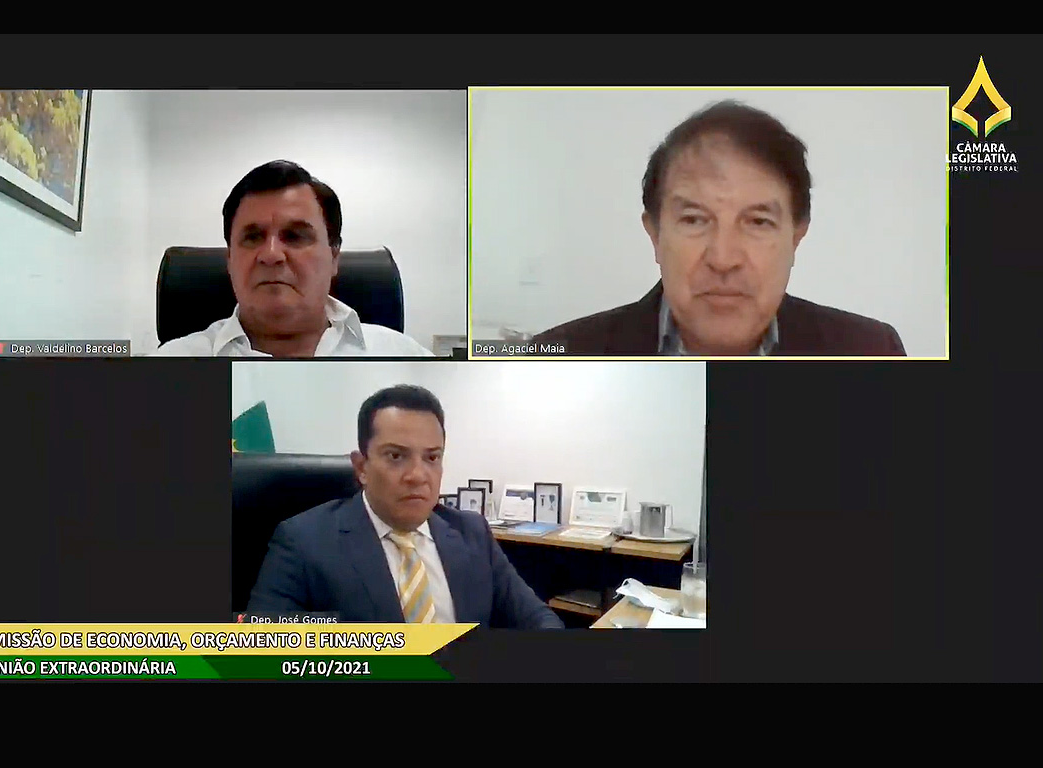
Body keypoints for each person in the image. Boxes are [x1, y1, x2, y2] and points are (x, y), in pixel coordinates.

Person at [534, 101, 906, 356]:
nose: (724, 259)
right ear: (655, 235)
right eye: (694, 220)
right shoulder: (555, 359)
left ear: (796, 237)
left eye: (758, 222)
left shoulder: (870, 351)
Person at [247, 385, 565, 628]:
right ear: (361, 467)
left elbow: (537, 618)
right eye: (396, 456)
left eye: (432, 457)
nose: (418, 475)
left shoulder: (471, 532)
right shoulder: (303, 542)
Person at [154, 160, 433, 357]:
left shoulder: (407, 359)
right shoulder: (166, 369)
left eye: (295, 236)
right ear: (230, 259)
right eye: (252, 237)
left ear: (334, 256)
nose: (271, 254)